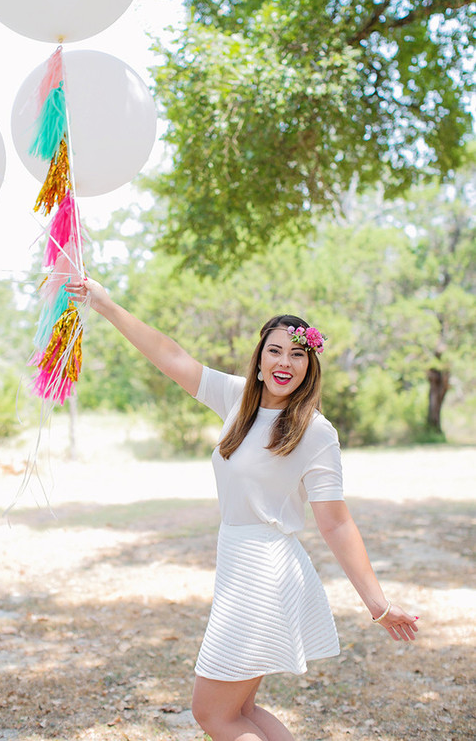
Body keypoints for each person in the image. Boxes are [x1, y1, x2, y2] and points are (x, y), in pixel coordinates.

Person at [65, 277, 419, 741]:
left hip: (266, 572)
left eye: (297, 354)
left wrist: (379, 606)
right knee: (240, 708)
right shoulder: (237, 400)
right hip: (240, 564)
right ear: (259, 360)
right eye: (275, 351)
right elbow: (170, 356)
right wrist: (105, 304)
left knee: (214, 713)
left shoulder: (316, 432)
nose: (285, 362)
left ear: (309, 366)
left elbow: (335, 523)